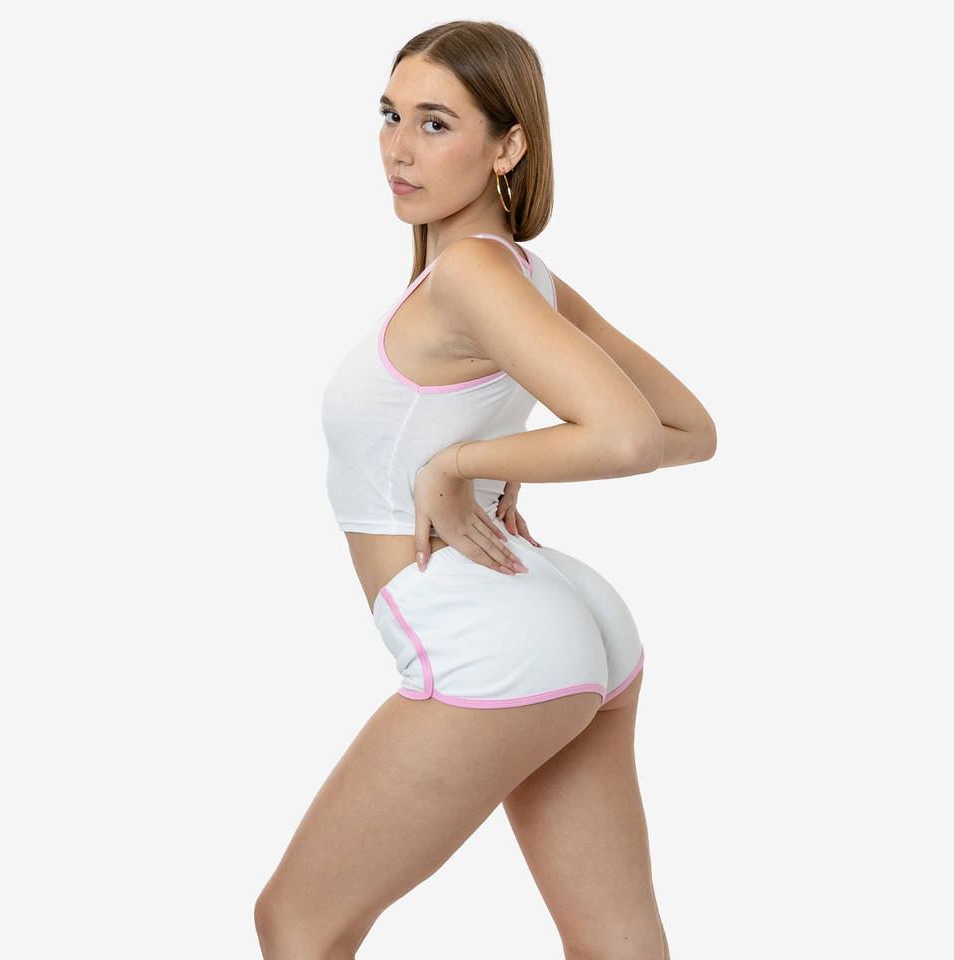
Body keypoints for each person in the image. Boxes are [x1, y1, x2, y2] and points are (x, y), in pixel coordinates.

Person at [255, 19, 715, 960]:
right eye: (390, 115)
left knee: (297, 923)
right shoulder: (523, 277)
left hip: (489, 638)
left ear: (508, 147)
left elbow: (638, 436)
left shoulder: (471, 273)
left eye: (436, 123)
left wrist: (458, 465)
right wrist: (494, 459)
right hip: (564, 619)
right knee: (616, 940)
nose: (398, 148)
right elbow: (690, 430)